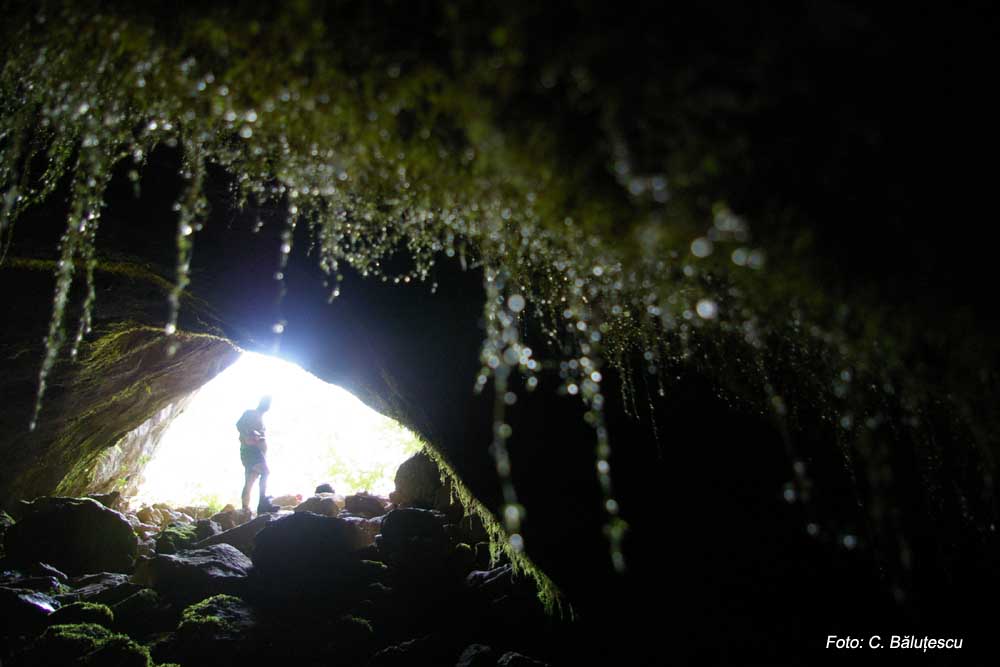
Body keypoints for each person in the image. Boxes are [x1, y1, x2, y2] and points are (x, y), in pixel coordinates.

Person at [237, 395, 278, 514]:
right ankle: (262, 504)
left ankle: (245, 508)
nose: (268, 406)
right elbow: (239, 425)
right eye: (267, 403)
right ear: (262, 403)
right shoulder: (251, 413)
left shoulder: (260, 418)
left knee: (251, 478)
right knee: (265, 472)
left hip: (257, 453)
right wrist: (248, 436)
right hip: (250, 452)